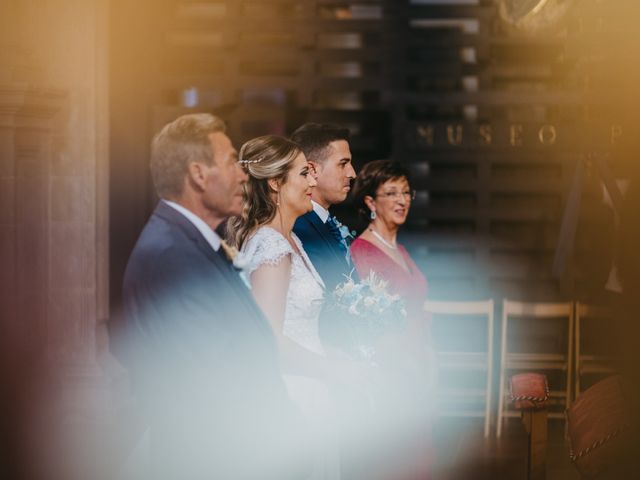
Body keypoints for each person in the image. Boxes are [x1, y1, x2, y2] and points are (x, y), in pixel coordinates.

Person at [119, 114, 308, 480]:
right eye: (230, 162)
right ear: (198, 175)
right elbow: (212, 384)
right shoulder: (170, 256)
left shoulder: (192, 243)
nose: (242, 175)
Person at [228, 135, 367, 480]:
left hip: (309, 385)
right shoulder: (271, 247)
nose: (313, 182)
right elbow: (267, 340)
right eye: (304, 174)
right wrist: (334, 370)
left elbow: (300, 326)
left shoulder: (292, 241)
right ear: (275, 183)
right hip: (291, 393)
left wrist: (340, 356)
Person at [349, 159, 432, 480]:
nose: (402, 200)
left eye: (407, 193)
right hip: (392, 375)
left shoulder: (402, 250)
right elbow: (372, 327)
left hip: (417, 368)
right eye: (392, 193)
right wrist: (408, 369)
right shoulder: (364, 252)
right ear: (370, 202)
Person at [290, 123, 358, 348]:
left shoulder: (326, 222)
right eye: (343, 164)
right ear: (312, 170)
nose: (352, 174)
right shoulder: (298, 226)